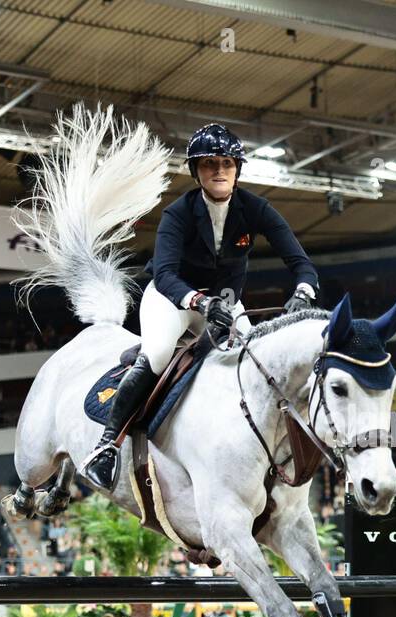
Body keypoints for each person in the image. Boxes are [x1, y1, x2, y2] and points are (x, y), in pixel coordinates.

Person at [81, 123, 321, 491]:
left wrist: (303, 291)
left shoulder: (256, 209)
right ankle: (107, 446)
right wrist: (199, 301)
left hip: (224, 303)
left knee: (250, 360)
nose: (219, 170)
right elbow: (163, 273)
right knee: (159, 354)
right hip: (173, 298)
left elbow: (300, 262)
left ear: (237, 169)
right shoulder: (179, 213)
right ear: (197, 171)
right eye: (210, 163)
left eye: (227, 162)